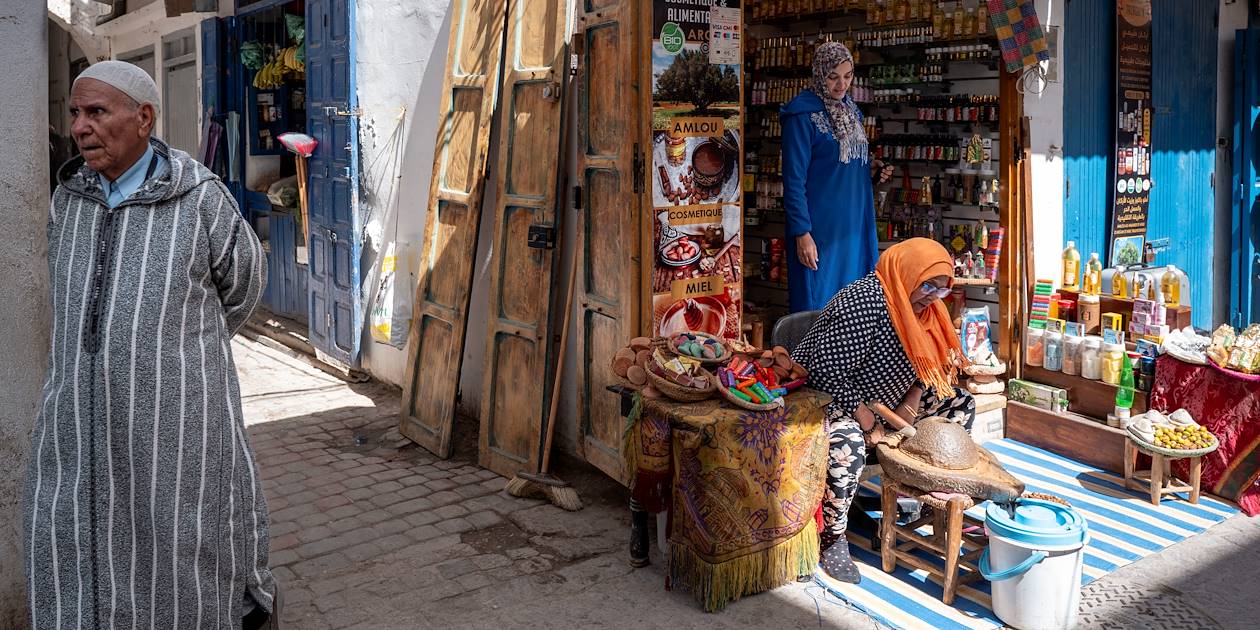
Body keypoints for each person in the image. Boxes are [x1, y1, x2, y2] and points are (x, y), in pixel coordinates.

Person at [24, 61, 278, 628]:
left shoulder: (199, 198)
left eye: (97, 112)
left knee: (178, 547)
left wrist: (170, 354)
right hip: (77, 419)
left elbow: (243, 286)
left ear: (144, 118)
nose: (81, 127)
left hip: (178, 424)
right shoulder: (70, 200)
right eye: (75, 114)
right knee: (72, 535)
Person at [791, 238, 975, 583]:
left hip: (886, 401)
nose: (932, 296)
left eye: (941, 289)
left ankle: (923, 488)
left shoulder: (928, 310)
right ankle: (831, 538)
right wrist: (868, 421)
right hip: (826, 398)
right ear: (906, 274)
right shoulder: (865, 301)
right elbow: (823, 372)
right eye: (926, 285)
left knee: (960, 403)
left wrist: (913, 399)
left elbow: (930, 368)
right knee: (847, 440)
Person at [780, 42, 893, 313]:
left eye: (848, 76)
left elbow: (841, 165)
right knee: (817, 304)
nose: (842, 84)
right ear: (819, 74)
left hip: (854, 227)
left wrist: (871, 170)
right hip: (821, 230)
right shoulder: (801, 115)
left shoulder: (851, 112)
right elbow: (793, 180)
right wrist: (802, 233)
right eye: (833, 77)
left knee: (855, 304)